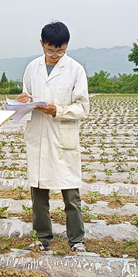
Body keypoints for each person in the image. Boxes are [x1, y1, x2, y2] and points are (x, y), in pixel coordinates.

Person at [16, 21, 90, 253]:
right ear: (42, 44)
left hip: (62, 136)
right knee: (38, 191)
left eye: (60, 50)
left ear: (66, 46)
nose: (55, 55)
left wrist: (57, 110)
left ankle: (77, 239)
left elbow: (83, 108)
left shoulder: (75, 69)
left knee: (70, 193)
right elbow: (27, 96)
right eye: (50, 50)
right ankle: (42, 237)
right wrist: (24, 102)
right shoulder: (32, 68)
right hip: (39, 135)